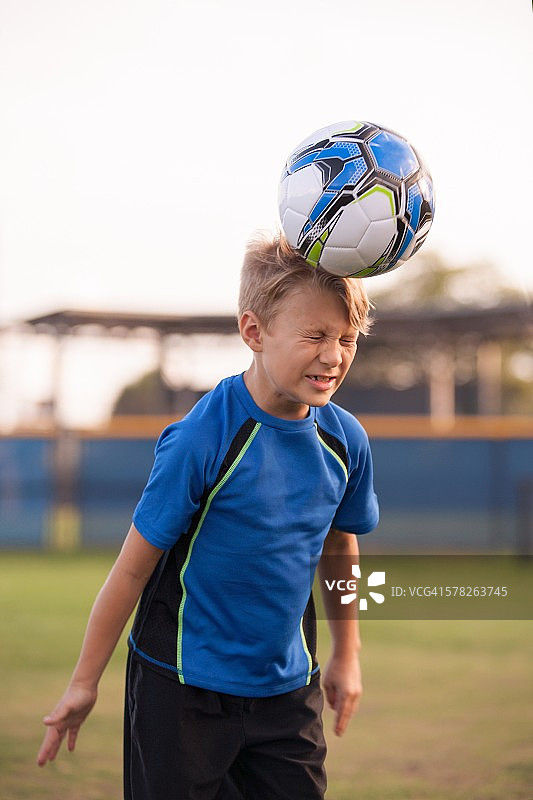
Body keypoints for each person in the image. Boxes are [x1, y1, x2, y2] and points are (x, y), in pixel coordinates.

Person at [37, 232, 379, 800]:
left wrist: (347, 653)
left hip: (287, 695)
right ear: (254, 331)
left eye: (346, 339)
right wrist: (83, 682)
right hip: (181, 693)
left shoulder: (347, 442)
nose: (333, 355)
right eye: (314, 335)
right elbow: (130, 571)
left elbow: (341, 549)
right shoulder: (202, 438)